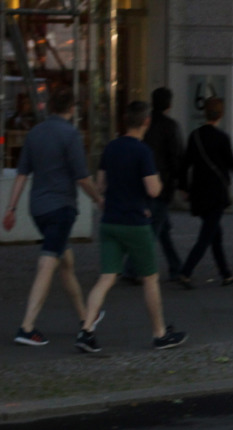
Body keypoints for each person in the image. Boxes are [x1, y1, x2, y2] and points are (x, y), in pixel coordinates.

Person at [76, 100, 186, 353]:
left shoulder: (111, 147)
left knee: (106, 278)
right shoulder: (143, 151)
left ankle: (86, 331)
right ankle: (159, 334)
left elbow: (101, 184)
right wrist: (153, 184)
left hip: (110, 222)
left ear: (126, 120)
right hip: (135, 223)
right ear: (146, 121)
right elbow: (153, 189)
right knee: (150, 278)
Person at [3, 88, 104, 347]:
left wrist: (11, 208)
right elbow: (82, 177)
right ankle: (27, 327)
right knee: (47, 265)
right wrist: (98, 199)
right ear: (71, 109)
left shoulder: (35, 133)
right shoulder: (70, 134)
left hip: (38, 209)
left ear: (50, 108)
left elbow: (22, 174)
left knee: (65, 264)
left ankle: (85, 319)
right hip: (61, 208)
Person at [177, 97, 233, 288]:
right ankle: (185, 271)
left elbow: (185, 164)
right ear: (221, 115)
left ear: (204, 113)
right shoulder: (222, 138)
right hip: (216, 194)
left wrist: (183, 187)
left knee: (215, 233)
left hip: (199, 194)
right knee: (207, 235)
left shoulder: (195, 136)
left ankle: (226, 274)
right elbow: (232, 164)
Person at [131, 87, 185, 283]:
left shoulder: (146, 123)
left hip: (142, 181)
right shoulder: (170, 126)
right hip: (162, 184)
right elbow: (176, 157)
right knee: (154, 228)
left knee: (162, 228)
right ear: (169, 104)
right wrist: (181, 183)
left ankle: (175, 266)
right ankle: (134, 268)